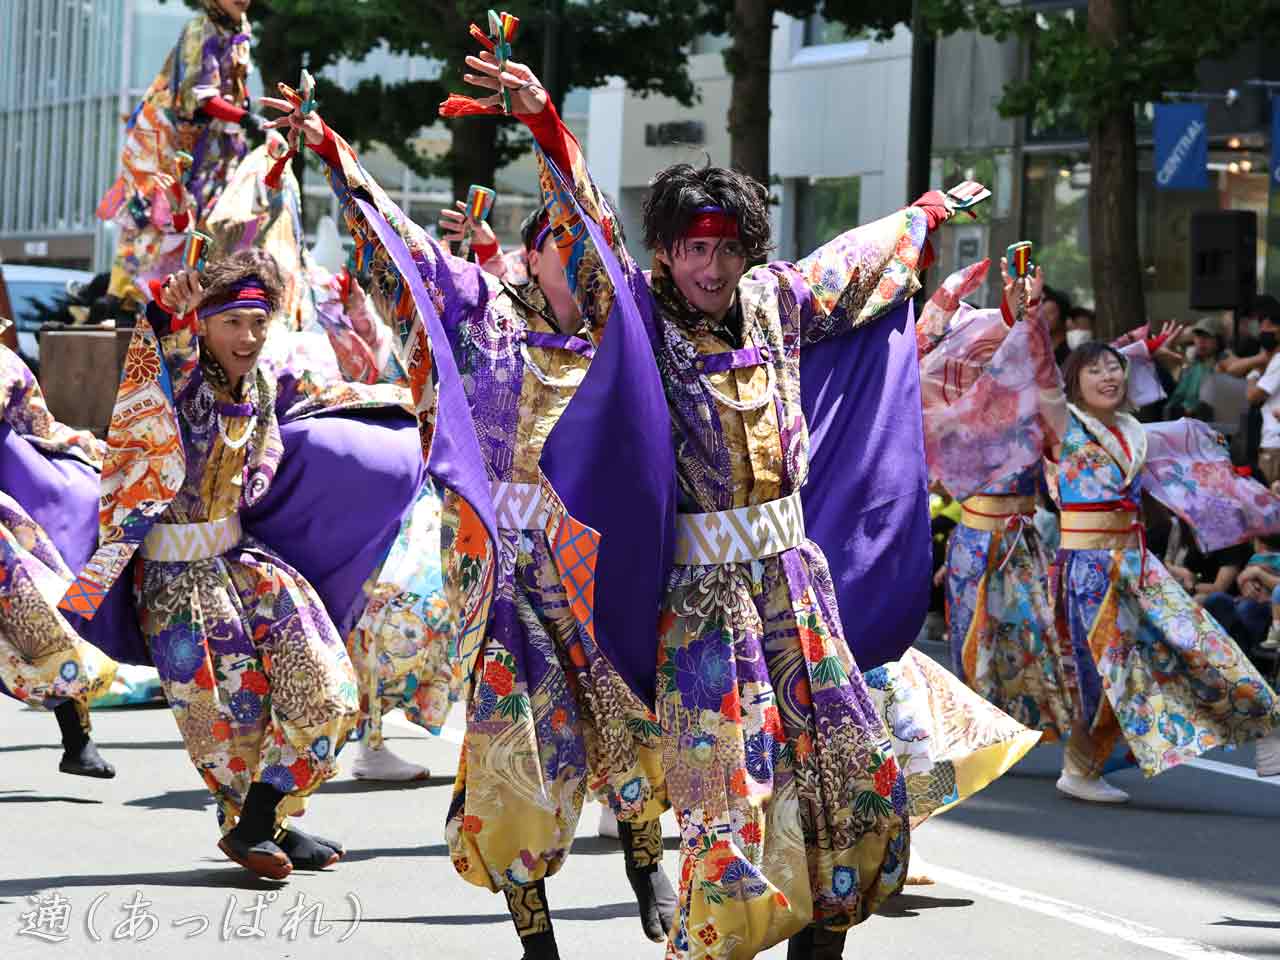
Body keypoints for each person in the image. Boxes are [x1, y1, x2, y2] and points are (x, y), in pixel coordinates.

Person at [442, 49, 987, 960]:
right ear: (665, 251)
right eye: (696, 247)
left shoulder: (775, 299)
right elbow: (587, 222)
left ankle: (822, 940)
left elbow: (854, 261)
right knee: (723, 800)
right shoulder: (636, 315)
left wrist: (927, 213)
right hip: (697, 607)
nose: (714, 264)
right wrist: (544, 123)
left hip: (792, 581)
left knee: (844, 772)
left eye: (730, 246)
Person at [266, 94, 675, 957]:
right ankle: (536, 938)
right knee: (512, 761)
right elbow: (408, 258)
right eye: (561, 237)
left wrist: (546, 128)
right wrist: (341, 162)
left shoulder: (622, 332)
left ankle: (650, 873)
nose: (585, 253)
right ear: (533, 254)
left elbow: (603, 226)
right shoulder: (487, 316)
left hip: (605, 571)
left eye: (588, 241)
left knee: (636, 738)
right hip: (513, 580)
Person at [61, 250, 364, 880]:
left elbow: (271, 429)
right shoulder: (181, 375)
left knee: (329, 682)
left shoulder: (253, 381)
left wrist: (262, 466)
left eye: (258, 322)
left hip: (241, 560)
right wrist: (168, 310)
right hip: (176, 582)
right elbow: (163, 349)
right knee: (233, 721)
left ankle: (264, 817)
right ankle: (255, 826)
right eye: (232, 322)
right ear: (203, 325)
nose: (248, 337)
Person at [1053, 342, 1280, 790]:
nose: (1108, 377)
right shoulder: (1063, 424)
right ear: (1074, 379)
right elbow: (1038, 377)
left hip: (1136, 566)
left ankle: (1264, 720)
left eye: (1115, 368)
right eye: (1095, 370)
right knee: (1098, 672)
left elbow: (1195, 455)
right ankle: (1080, 767)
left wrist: (1256, 505)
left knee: (1198, 640)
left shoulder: (1137, 431)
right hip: (1087, 569)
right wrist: (1022, 315)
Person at [0, 334, 118, 778]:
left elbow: (39, 426)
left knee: (43, 620)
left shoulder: (3, 362)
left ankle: (77, 738)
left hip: (21, 505)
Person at [98, 0, 266, 312]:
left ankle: (184, 294)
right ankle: (124, 296)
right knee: (151, 213)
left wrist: (242, 119)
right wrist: (244, 118)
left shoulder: (240, 28)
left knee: (199, 213)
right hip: (165, 135)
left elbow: (230, 88)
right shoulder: (199, 29)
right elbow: (199, 98)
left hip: (207, 140)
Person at [1247, 309, 1280, 483]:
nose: (1264, 334)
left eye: (1270, 330)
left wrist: (1253, 375)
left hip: (1275, 445)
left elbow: (1253, 396)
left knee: (1271, 502)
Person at [1164, 324, 1224, 421]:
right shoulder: (1191, 367)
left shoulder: (1225, 364)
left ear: (1218, 341)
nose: (1201, 341)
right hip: (1183, 420)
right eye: (1198, 336)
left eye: (1207, 337)